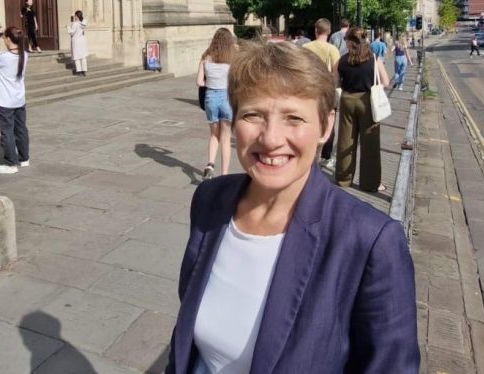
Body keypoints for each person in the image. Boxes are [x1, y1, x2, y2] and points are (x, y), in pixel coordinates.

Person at [165, 40, 418, 373]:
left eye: (294, 118)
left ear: (326, 127)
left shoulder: (369, 241)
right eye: (253, 114)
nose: (271, 138)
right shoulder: (211, 200)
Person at [334, 27, 390, 192]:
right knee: (370, 143)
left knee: (345, 140)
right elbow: (386, 82)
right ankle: (370, 183)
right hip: (368, 101)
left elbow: (334, 83)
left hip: (347, 100)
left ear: (351, 41)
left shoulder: (341, 60)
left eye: (346, 39)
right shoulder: (374, 59)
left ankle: (344, 179)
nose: (345, 42)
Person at [196, 28, 237, 180]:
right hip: (226, 98)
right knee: (226, 138)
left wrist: (211, 81)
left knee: (214, 135)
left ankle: (210, 164)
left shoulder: (206, 57)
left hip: (210, 98)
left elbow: (199, 82)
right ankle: (224, 174)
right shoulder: (232, 58)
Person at [0, 27, 29, 174]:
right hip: (18, 99)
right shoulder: (24, 54)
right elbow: (4, 55)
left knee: (7, 132)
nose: (4, 39)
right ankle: (24, 158)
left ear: (9, 40)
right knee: (21, 129)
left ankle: (11, 163)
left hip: (5, 100)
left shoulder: (4, 58)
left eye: (5, 37)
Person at [303, 18, 341, 169]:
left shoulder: (306, 47)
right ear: (329, 31)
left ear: (315, 30)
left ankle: (308, 150)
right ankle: (325, 155)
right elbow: (336, 73)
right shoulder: (332, 49)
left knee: (308, 119)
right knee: (328, 124)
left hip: (308, 89)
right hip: (325, 90)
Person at [67, 10, 89, 76]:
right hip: (82, 41)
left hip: (76, 41)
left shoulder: (75, 23)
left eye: (75, 15)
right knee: (83, 56)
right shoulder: (83, 22)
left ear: (76, 16)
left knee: (77, 57)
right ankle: (84, 71)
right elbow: (84, 21)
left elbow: (71, 32)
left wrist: (68, 27)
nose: (74, 16)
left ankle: (79, 71)